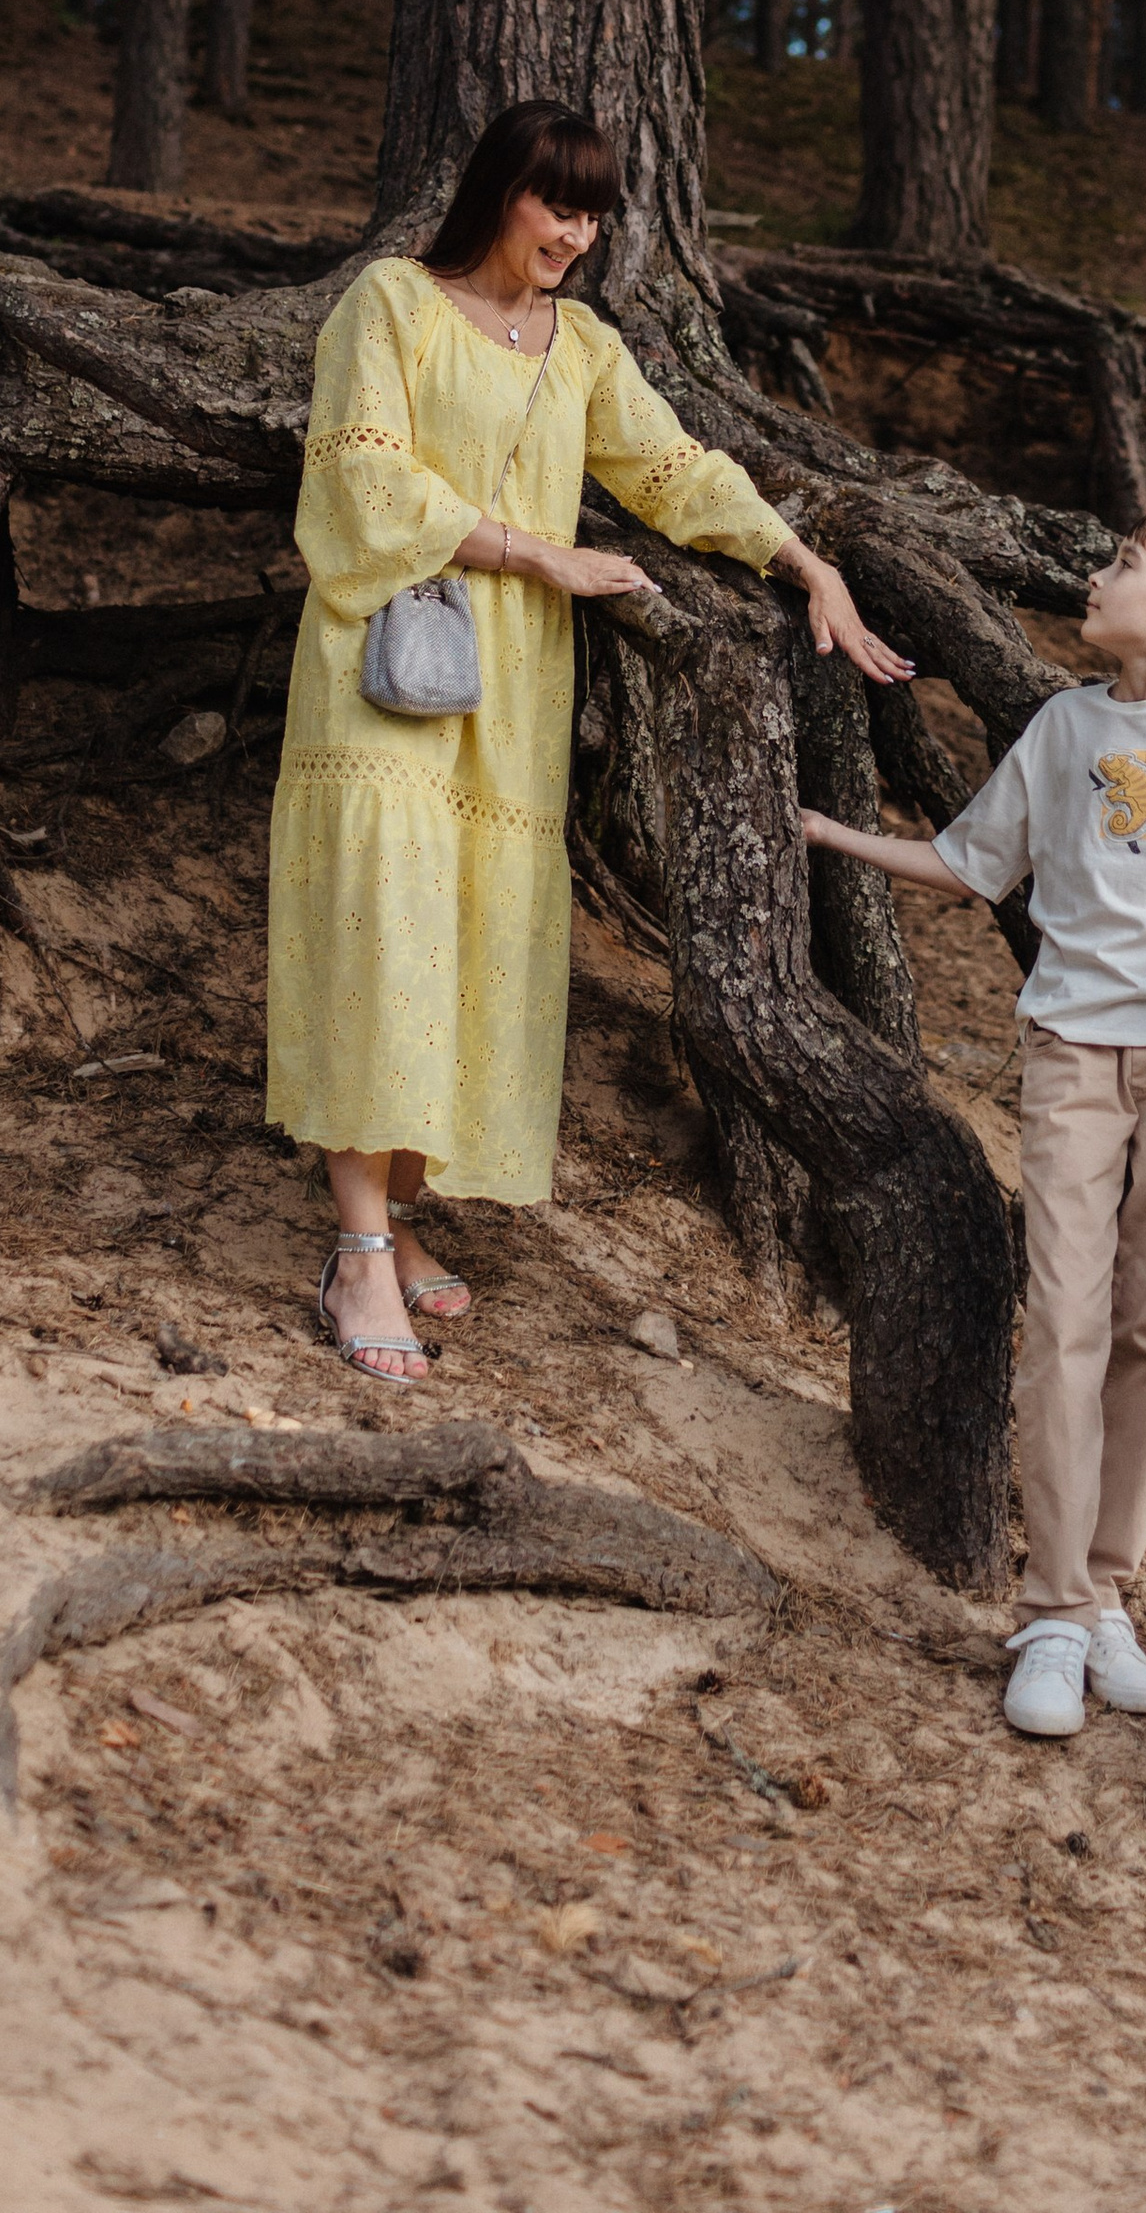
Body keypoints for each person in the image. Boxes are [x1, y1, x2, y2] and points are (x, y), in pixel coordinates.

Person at [270, 98, 912, 1382]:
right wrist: (536, 552)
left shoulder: (580, 347)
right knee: (382, 922)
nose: (577, 230)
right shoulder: (388, 305)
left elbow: (672, 471)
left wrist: (803, 563)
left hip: (513, 689)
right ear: (498, 193)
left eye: (595, 210)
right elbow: (362, 477)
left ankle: (392, 1219)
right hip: (386, 660)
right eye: (556, 202)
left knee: (456, 930)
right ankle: (352, 1251)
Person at [800, 504, 1146, 1740]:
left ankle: (1110, 1591)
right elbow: (970, 864)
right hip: (1069, 1053)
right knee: (1062, 1319)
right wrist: (826, 833)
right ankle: (1051, 1612)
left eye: (1123, 562)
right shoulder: (1062, 726)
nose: (1095, 575)